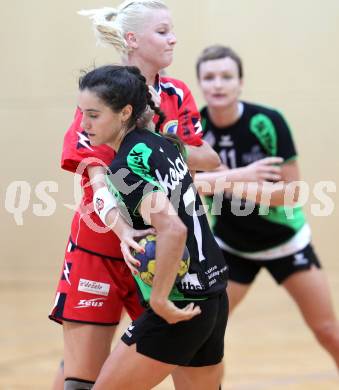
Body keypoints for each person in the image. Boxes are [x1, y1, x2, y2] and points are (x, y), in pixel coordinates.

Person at [50, 2, 220, 389]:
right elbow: (96, 178)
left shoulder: (175, 94)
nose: (173, 38)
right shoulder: (102, 94)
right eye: (162, 31)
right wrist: (124, 231)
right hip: (101, 249)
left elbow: (207, 158)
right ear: (133, 39)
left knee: (190, 371)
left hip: (164, 249)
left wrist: (155, 137)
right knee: (81, 379)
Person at [77, 64, 228, 390]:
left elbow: (173, 230)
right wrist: (122, 228)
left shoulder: (126, 166)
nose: (83, 124)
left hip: (177, 305)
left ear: (124, 112)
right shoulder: (163, 143)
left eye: (93, 114)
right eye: (81, 113)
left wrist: (159, 300)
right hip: (213, 293)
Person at [194, 44, 339, 370]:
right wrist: (246, 179)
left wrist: (222, 180)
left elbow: (290, 195)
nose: (218, 84)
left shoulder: (268, 122)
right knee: (203, 335)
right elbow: (186, 187)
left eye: (227, 76)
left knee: (328, 331)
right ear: (200, 84)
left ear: (240, 82)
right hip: (231, 248)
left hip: (285, 242)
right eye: (210, 77)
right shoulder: (196, 129)